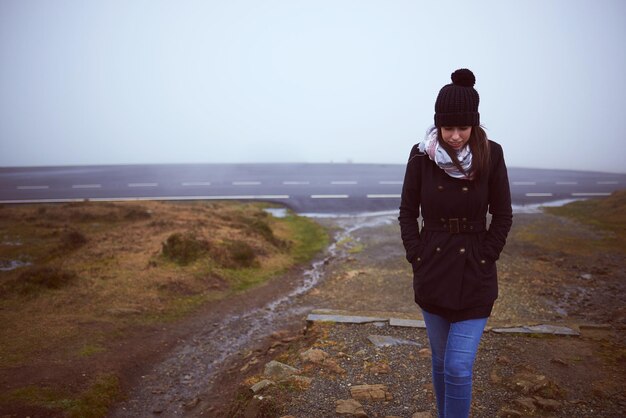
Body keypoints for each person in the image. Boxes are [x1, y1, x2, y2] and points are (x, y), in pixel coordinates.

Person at [398, 68, 513, 418]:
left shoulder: (491, 153)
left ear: (473, 125)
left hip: (475, 272)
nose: (456, 136)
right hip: (432, 267)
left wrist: (487, 254)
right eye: (448, 128)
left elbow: (503, 214)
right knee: (440, 361)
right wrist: (416, 255)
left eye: (463, 128)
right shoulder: (421, 155)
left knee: (458, 366)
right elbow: (406, 211)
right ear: (438, 125)